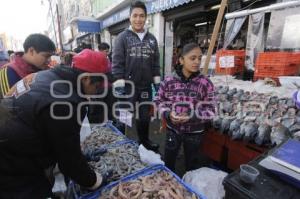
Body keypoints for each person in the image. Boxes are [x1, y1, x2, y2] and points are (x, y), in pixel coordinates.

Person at [0, 49, 111, 198]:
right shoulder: (64, 102)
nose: (97, 92)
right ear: (85, 78)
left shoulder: (47, 75)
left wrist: (81, 157)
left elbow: (57, 138)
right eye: (97, 87)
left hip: (15, 147)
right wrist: (96, 181)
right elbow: (69, 163)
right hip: (13, 166)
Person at [154, 43, 216, 172]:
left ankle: (189, 186)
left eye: (199, 58)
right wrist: (168, 114)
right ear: (181, 60)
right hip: (173, 130)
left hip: (194, 133)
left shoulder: (205, 83)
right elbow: (159, 101)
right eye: (192, 58)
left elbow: (211, 110)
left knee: (191, 165)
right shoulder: (169, 80)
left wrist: (192, 116)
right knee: (169, 162)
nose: (197, 62)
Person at [112, 0, 161, 151]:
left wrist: (157, 85)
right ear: (130, 17)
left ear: (146, 17)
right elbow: (117, 64)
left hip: (145, 87)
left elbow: (156, 64)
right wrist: (120, 90)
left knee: (144, 117)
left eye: (141, 16)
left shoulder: (152, 39)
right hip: (128, 87)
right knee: (124, 116)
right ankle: (122, 144)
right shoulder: (122, 38)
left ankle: (144, 141)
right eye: (135, 16)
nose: (138, 19)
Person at [0, 33, 56, 98]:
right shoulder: (8, 72)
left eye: (50, 56)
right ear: (31, 51)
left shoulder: (44, 69)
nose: (49, 60)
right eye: (46, 56)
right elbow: (9, 104)